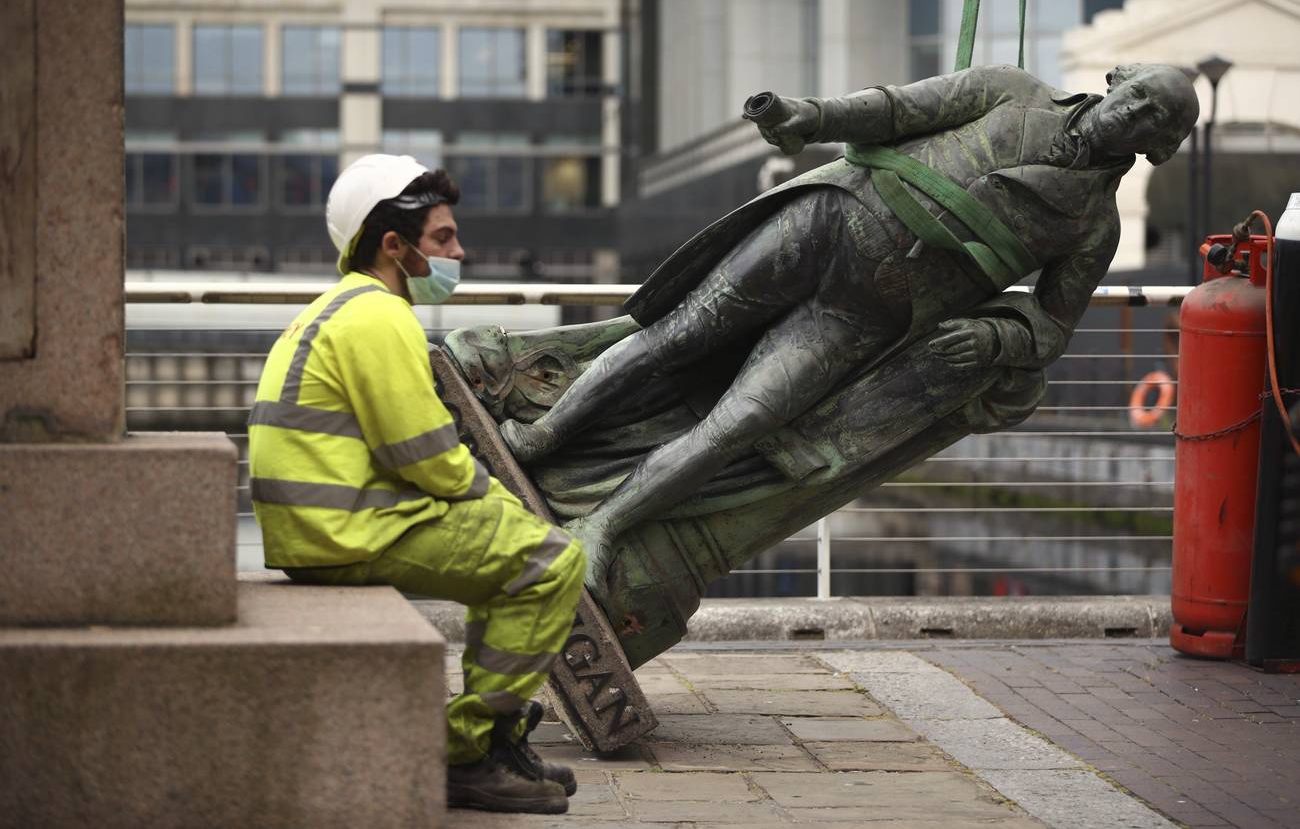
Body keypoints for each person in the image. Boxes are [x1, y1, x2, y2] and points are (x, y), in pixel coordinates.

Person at [499, 63, 1198, 590]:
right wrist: (813, 116)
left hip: (870, 315)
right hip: (830, 222)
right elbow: (897, 111)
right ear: (1116, 79)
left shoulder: (1092, 229)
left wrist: (994, 338)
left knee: (741, 424)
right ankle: (543, 435)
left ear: (1157, 147)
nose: (1131, 112)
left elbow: (1050, 327)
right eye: (1136, 94)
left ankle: (603, 526)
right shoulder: (1013, 90)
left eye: (1151, 118)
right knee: (679, 335)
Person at [247, 154, 585, 815]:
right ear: (393, 246)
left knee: (512, 552)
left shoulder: (339, 309)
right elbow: (427, 456)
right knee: (551, 561)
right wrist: (496, 494)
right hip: (346, 531)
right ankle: (468, 752)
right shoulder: (379, 317)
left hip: (324, 525)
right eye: (442, 240)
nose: (459, 251)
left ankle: (497, 735)